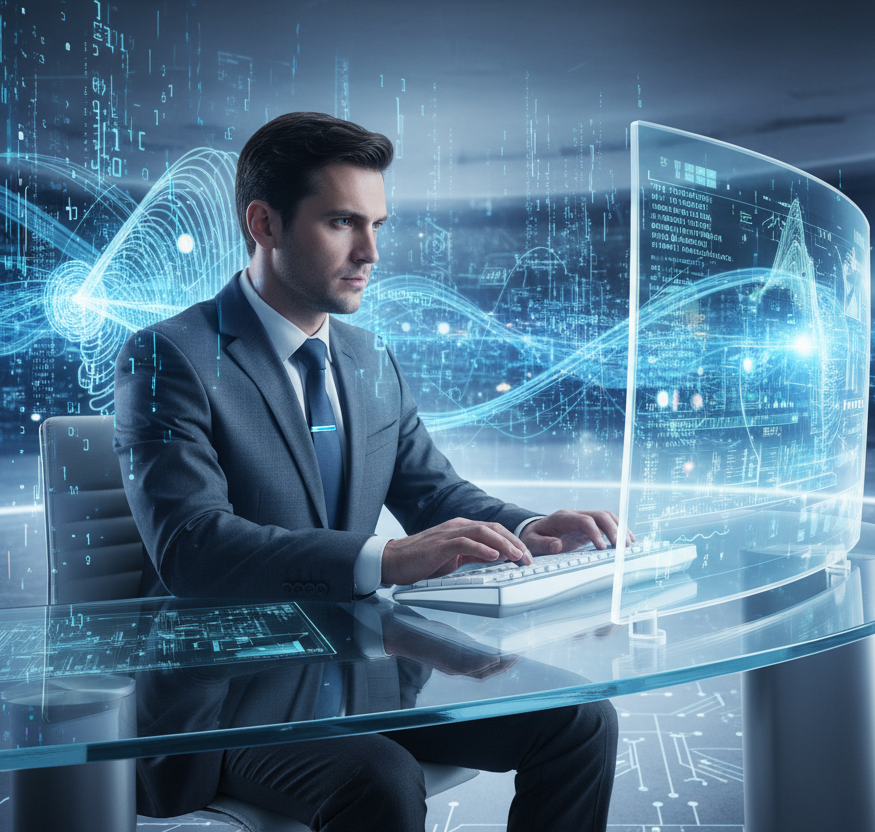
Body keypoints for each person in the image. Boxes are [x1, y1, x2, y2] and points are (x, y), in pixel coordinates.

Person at [114, 111, 620, 832]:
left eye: (377, 224)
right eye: (342, 222)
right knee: (381, 777)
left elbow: (433, 493)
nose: (371, 252)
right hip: (229, 700)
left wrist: (531, 528)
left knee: (580, 719)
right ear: (264, 223)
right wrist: (386, 558)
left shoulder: (369, 358)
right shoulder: (171, 356)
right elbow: (193, 548)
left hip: (366, 674)